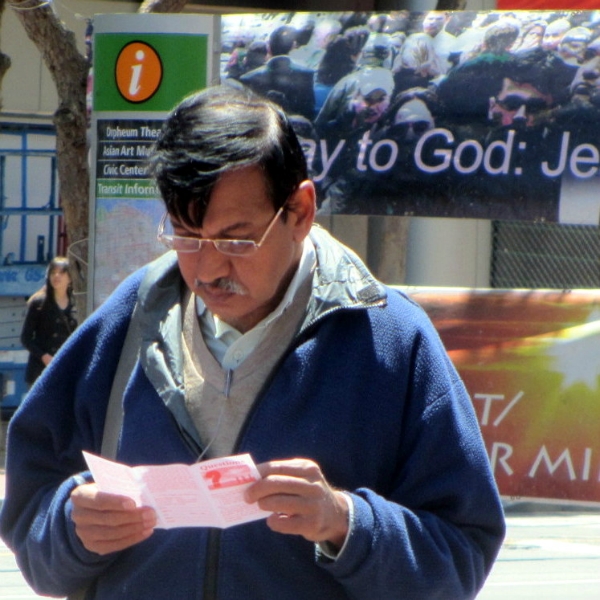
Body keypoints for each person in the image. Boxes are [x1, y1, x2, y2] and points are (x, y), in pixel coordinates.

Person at [0, 84, 505, 600]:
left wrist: (347, 524)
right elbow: (33, 531)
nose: (210, 267)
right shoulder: (130, 322)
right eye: (186, 237)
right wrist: (72, 527)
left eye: (237, 240)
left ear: (300, 212)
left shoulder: (391, 341)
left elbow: (460, 558)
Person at [19, 255, 77, 386]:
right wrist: (44, 356)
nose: (56, 276)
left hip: (66, 370)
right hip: (40, 371)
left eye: (61, 273)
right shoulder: (39, 303)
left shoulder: (76, 304)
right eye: (53, 272)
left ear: (70, 278)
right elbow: (25, 338)